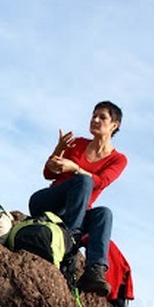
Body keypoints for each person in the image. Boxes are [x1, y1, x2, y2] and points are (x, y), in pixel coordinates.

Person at [28, 101, 126, 296]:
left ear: (114, 125)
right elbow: (48, 173)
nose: (95, 120)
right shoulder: (78, 144)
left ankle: (95, 270)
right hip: (47, 203)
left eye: (102, 117)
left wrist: (75, 169)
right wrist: (58, 149)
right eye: (93, 115)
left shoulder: (118, 159)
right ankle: (69, 243)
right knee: (83, 181)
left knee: (104, 213)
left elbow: (101, 181)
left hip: (77, 214)